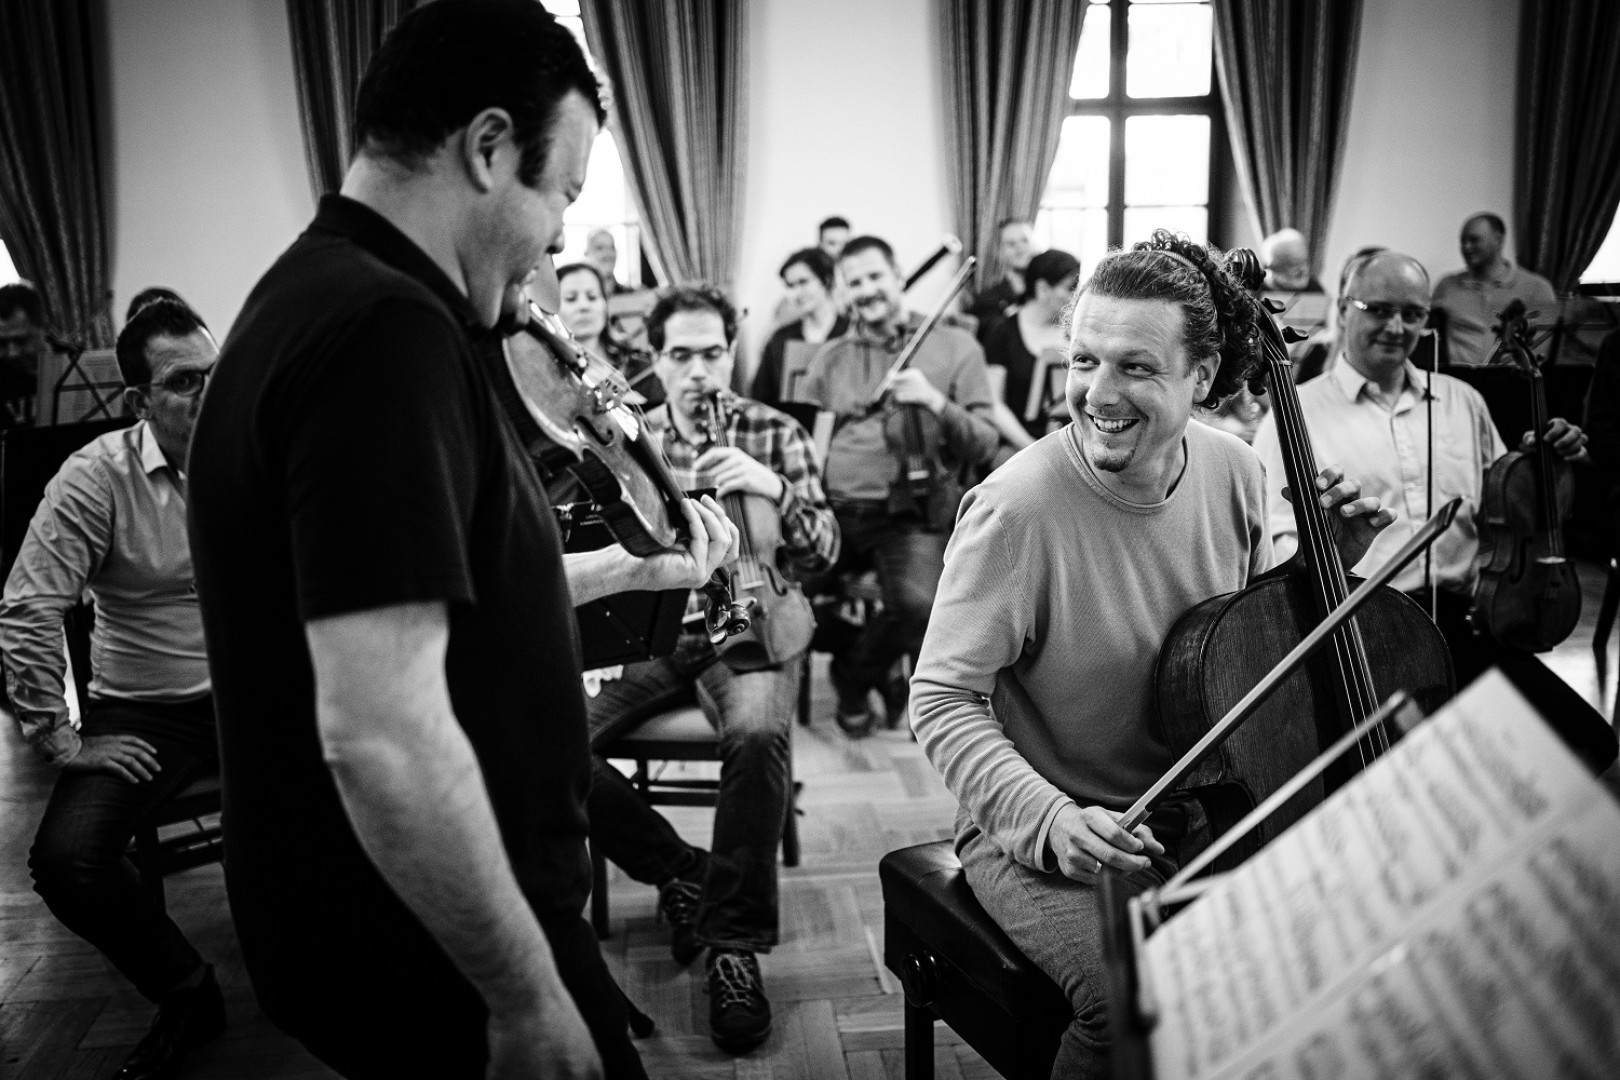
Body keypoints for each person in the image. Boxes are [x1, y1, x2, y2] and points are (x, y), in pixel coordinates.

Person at [185, 5, 737, 1078]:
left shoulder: (327, 295)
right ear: (487, 147)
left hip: (427, 922)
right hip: (438, 950)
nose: (564, 237)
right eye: (563, 190)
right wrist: (523, 997)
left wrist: (630, 566)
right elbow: (381, 731)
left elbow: (450, 596)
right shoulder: (381, 333)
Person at [910, 230, 1394, 1079]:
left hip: (1202, 808)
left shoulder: (1235, 471)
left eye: (1136, 367)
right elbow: (941, 699)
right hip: (1053, 828)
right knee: (1135, 1002)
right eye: (1083, 360)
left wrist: (1322, 569)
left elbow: (1240, 649)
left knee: (1325, 950)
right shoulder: (1016, 510)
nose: (1099, 393)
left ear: (1201, 376)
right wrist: (1050, 819)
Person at [586, 285, 838, 1053]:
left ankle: (732, 945)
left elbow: (826, 551)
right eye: (680, 355)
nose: (698, 370)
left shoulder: (776, 430)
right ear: (655, 359)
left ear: (731, 353)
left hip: (752, 628)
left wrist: (774, 486)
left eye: (712, 353)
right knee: (543, 738)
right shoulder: (627, 440)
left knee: (758, 736)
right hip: (653, 633)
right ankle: (680, 869)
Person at [0, 297, 222, 1080]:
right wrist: (59, 739)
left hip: (257, 694)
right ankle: (188, 990)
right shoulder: (96, 477)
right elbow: (28, 606)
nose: (210, 393)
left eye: (217, 373)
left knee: (369, 790)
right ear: (139, 402)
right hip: (147, 712)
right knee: (67, 861)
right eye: (185, 381)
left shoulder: (258, 446)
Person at [1253, 249, 1590, 687]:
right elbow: (1277, 546)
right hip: (1366, 632)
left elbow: (1508, 510)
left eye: (1412, 314)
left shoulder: (1462, 400)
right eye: (1379, 310)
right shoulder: (1295, 413)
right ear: (1343, 309)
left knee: (1569, 729)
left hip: (1471, 622)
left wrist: (1542, 464)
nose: (1397, 328)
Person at [800, 234, 998, 736]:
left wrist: (935, 401)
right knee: (783, 599)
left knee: (920, 607)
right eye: (854, 282)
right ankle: (860, 650)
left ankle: (853, 675)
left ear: (898, 277)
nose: (866, 290)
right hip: (834, 510)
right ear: (844, 293)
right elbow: (806, 441)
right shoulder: (831, 358)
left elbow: (983, 443)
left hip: (910, 512)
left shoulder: (955, 345)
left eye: (875, 276)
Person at [983, 248, 1080, 459]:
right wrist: (1032, 450)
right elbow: (994, 404)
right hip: (1017, 447)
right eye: (1070, 288)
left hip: (1070, 446)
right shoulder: (1002, 332)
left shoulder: (1075, 331)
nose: (1076, 295)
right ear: (1043, 288)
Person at [1431, 212, 1558, 367]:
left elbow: (1543, 350)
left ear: (1498, 240)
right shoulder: (1447, 285)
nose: (1466, 247)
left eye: (1474, 240)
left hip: (1514, 377)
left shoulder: (1537, 288)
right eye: (1463, 241)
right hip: (1457, 377)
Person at [752, 247, 849, 407]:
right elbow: (761, 398)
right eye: (790, 286)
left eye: (803, 282)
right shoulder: (780, 339)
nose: (797, 293)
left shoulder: (850, 332)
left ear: (826, 280)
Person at [556, 260, 662, 407]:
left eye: (592, 297)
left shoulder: (638, 367)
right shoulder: (551, 372)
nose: (584, 306)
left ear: (605, 305)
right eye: (570, 299)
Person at [966, 218, 1036, 345]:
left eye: (1025, 240)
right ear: (999, 252)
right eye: (1011, 244)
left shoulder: (1050, 292)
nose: (1020, 248)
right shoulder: (986, 301)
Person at [0, 279, 45, 428]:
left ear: (43, 327)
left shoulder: (73, 359)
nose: (12, 353)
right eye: (2, 343)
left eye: (21, 341)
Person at [585, 227, 629, 294]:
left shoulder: (630, 295)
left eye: (612, 247)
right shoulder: (579, 297)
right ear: (587, 254)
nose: (608, 253)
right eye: (600, 248)